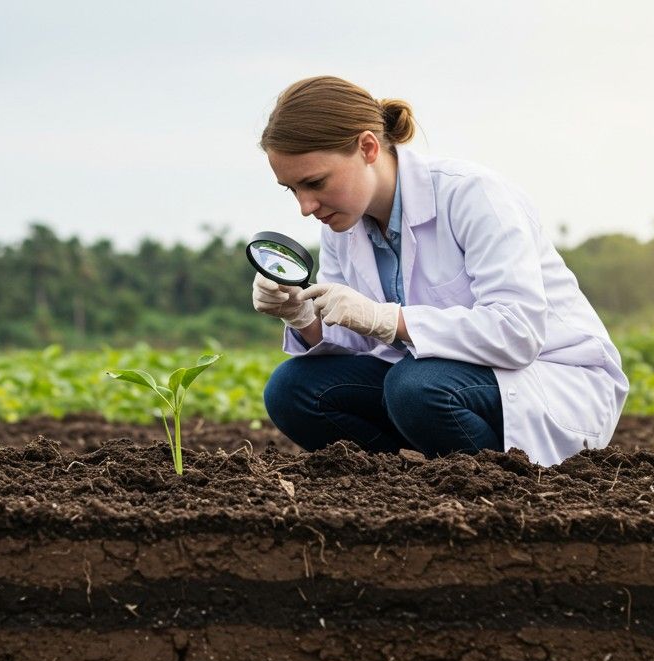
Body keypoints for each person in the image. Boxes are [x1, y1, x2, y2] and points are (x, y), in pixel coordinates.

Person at [252, 75, 628, 466]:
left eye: (315, 182)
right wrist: (301, 315)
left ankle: (501, 481)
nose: (306, 206)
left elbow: (518, 333)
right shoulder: (342, 223)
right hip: (437, 383)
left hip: (546, 375)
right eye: (292, 189)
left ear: (367, 147)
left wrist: (389, 319)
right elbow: (356, 340)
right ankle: (405, 480)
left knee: (414, 387)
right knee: (292, 389)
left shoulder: (472, 195)